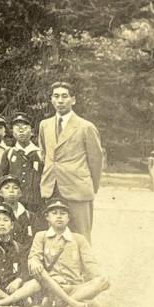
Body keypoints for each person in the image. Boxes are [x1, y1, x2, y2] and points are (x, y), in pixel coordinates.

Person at [0, 199, 109, 307]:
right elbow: (34, 256)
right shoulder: (41, 236)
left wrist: (99, 276)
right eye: (54, 213)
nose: (59, 217)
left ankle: (63, 301)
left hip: (74, 286)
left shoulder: (78, 239)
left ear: (68, 218)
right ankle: (73, 302)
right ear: (47, 217)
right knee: (38, 276)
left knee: (103, 280)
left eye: (63, 213)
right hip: (50, 285)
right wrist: (35, 263)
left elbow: (90, 264)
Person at [38, 82, 104, 239]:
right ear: (51, 100)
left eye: (64, 96)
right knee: (52, 235)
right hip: (52, 188)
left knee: (80, 235)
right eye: (56, 96)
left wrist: (90, 186)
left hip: (77, 188)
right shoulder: (44, 125)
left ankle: (82, 264)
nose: (60, 100)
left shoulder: (85, 127)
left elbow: (96, 161)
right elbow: (44, 154)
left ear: (73, 100)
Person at [0, 114, 44, 216]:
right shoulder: (9, 153)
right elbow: (1, 177)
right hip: (13, 200)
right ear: (12, 132)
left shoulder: (39, 153)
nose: (21, 131)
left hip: (35, 201)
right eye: (17, 128)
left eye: (25, 128)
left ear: (32, 131)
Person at [0, 175, 37, 256]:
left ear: (20, 193)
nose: (11, 191)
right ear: (0, 193)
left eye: (15, 188)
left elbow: (35, 242)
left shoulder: (30, 216)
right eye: (6, 188)